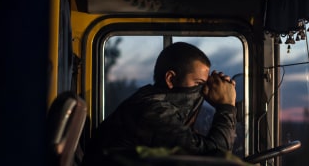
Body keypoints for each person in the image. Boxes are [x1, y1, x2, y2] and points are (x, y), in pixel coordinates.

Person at [81, 42, 237, 166]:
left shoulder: (154, 102)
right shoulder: (152, 111)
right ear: (170, 79)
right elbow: (214, 159)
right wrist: (226, 107)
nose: (202, 91)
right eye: (198, 83)